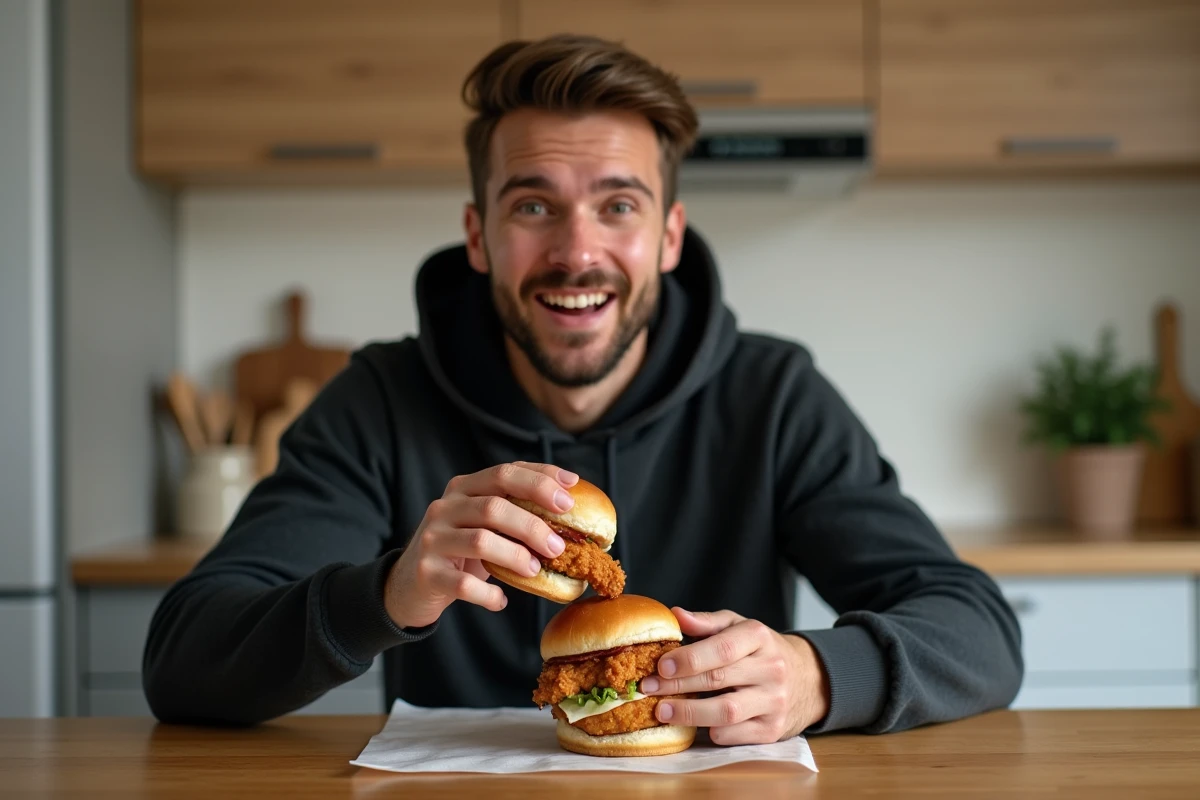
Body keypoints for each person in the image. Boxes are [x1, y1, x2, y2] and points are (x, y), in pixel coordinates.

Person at [143, 34, 1023, 743]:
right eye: (532, 205)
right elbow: (183, 658)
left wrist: (821, 675)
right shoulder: (380, 399)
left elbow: (978, 628)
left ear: (670, 236)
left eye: (618, 205)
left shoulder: (775, 393)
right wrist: (386, 592)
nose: (576, 250)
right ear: (477, 235)